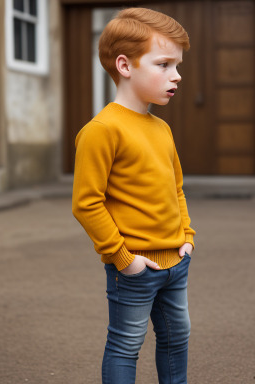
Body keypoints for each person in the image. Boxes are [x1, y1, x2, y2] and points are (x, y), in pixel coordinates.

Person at [72, 7, 196, 384]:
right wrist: (124, 260)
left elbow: (175, 188)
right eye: (164, 64)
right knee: (126, 344)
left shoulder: (161, 128)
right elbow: (86, 203)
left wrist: (187, 237)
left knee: (178, 339)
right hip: (135, 268)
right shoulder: (102, 130)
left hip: (176, 261)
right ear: (125, 66)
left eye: (177, 65)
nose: (176, 75)